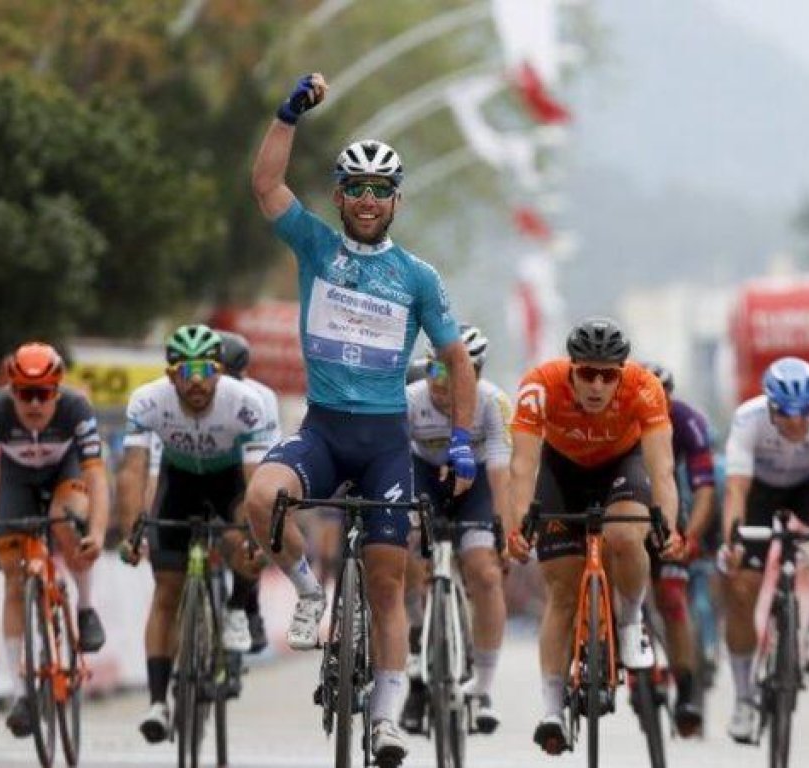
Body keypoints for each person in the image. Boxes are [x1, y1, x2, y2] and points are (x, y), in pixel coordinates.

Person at [246, 71, 477, 764]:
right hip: (322, 430)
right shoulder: (317, 246)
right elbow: (266, 186)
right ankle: (307, 592)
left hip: (383, 443)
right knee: (261, 498)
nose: (368, 200)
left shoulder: (418, 277)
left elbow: (456, 361)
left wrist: (462, 442)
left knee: (386, 579)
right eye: (356, 188)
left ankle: (386, 719)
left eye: (381, 189)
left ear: (397, 199)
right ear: (340, 195)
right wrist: (287, 116)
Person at [504, 317, 682, 755]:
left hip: (621, 468)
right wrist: (519, 524)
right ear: (571, 369)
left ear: (622, 373)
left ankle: (632, 621)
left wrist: (669, 525)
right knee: (562, 594)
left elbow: (661, 469)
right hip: (561, 473)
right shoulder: (540, 385)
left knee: (625, 536)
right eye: (587, 373)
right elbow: (522, 466)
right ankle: (552, 709)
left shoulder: (644, 388)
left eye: (608, 376)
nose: (597, 385)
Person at [116, 324, 276, 742]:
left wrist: (255, 535)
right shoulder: (148, 400)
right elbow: (132, 471)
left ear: (219, 371)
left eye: (206, 370)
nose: (197, 382)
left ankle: (238, 608)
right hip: (179, 483)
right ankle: (157, 703)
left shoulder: (246, 403)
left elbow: (255, 478)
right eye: (187, 372)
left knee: (245, 541)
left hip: (229, 481)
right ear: (172, 376)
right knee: (166, 591)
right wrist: (131, 531)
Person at [0, 342, 109, 739]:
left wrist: (96, 532)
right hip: (17, 479)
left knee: (65, 521)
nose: (35, 403)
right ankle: (22, 692)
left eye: (43, 393)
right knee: (13, 579)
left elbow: (96, 476)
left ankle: (86, 608)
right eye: (25, 394)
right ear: (12, 390)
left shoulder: (76, 408)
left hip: (65, 472)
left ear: (57, 390)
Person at [718, 357, 809, 744]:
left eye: (804, 413)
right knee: (742, 589)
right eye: (785, 413)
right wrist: (732, 544)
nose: (796, 423)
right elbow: (736, 491)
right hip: (759, 490)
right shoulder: (748, 420)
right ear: (769, 406)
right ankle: (743, 699)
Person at [399, 325, 510, 736]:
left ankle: (482, 688)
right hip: (423, 477)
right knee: (403, 551)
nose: (443, 382)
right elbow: (393, 463)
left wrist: (504, 530)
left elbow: (500, 471)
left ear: (476, 374)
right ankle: (417, 647)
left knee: (484, 572)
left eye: (457, 372)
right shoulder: (410, 401)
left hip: (474, 484)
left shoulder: (493, 403)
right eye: (435, 370)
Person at [639, 361, 716, 735]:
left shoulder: (688, 421)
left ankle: (686, 691)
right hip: (622, 507)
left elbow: (704, 489)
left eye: (663, 398)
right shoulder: (618, 414)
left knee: (672, 598)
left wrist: (692, 536)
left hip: (667, 511)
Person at [215, 329, 281, 652]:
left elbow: (268, 457)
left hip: (246, 467)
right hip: (202, 466)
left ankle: (246, 605)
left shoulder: (261, 398)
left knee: (247, 534)